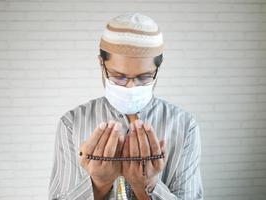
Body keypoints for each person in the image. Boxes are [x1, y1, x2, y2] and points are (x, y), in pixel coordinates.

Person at [48, 12, 204, 200]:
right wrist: (99, 183)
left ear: (157, 70)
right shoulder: (72, 123)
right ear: (101, 64)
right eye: (118, 76)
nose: (131, 87)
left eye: (144, 77)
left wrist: (147, 186)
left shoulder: (184, 125)